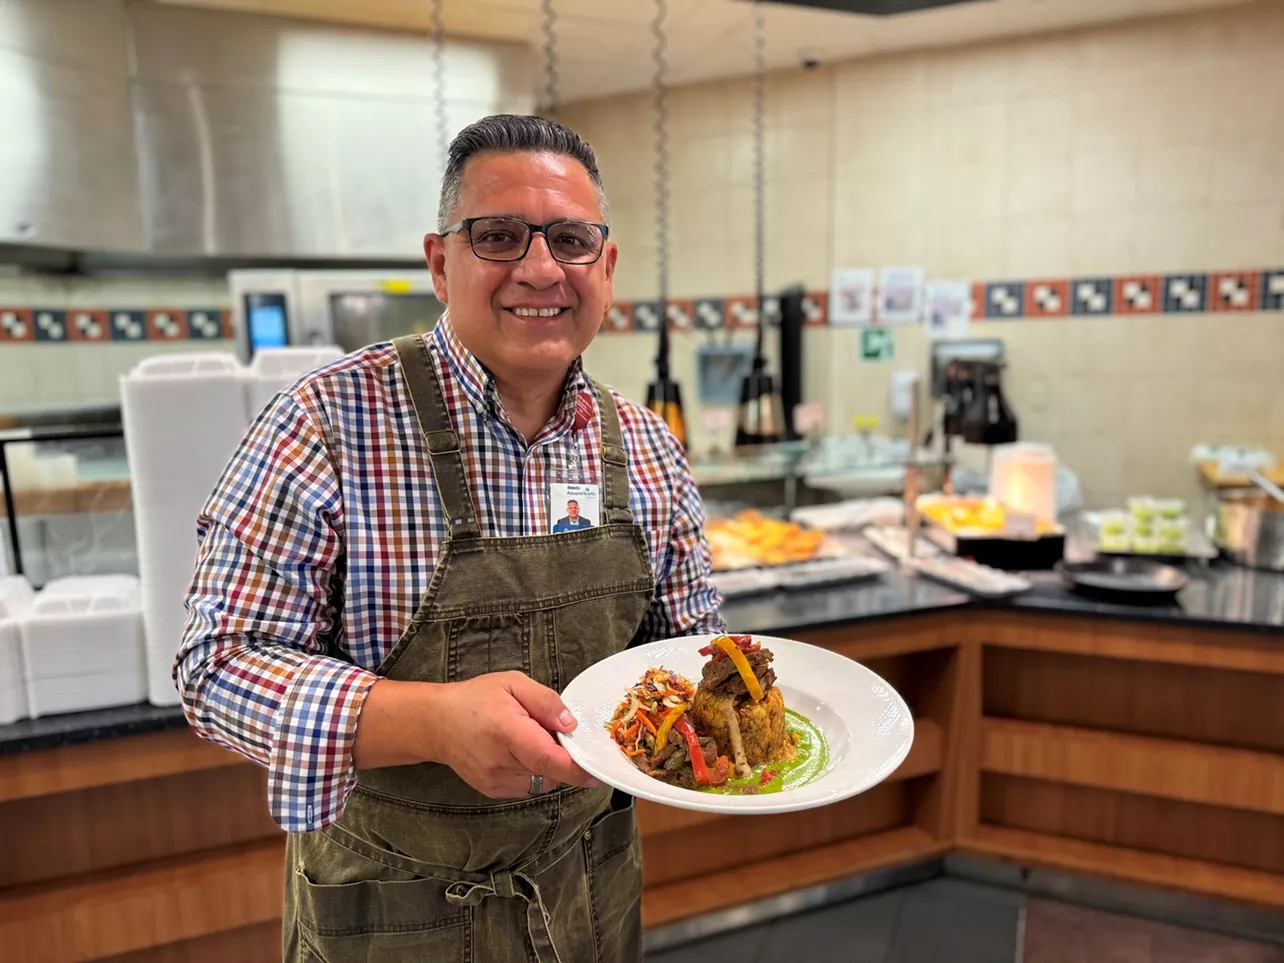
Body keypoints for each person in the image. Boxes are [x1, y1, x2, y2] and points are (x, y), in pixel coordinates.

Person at [176, 114, 724, 963]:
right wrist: (429, 721)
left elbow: (685, 660)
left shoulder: (647, 447)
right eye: (500, 236)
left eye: (571, 240)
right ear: (441, 262)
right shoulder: (326, 424)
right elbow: (217, 664)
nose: (540, 268)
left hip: (587, 898)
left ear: (605, 268)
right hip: (390, 916)